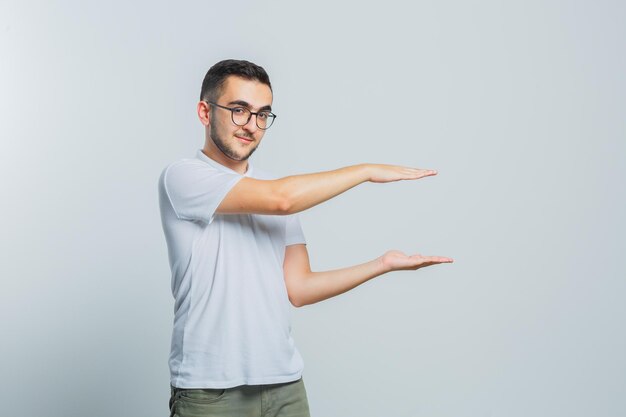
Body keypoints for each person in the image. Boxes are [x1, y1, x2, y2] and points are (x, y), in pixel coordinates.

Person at [158, 59, 453, 417]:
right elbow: (282, 200)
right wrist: (365, 171)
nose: (251, 125)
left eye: (262, 114)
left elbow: (299, 288)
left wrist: (382, 264)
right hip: (210, 392)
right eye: (239, 110)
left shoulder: (278, 189)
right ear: (205, 112)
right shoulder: (184, 177)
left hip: (285, 384)